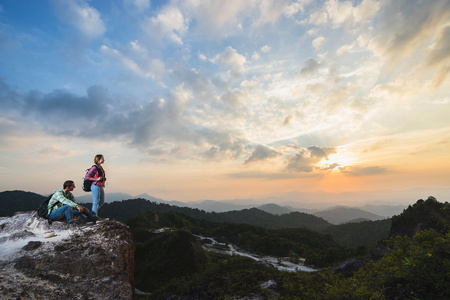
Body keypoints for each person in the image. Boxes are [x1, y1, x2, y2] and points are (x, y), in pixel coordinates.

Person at [85, 154, 107, 220]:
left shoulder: (100, 167)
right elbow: (87, 177)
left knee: (102, 201)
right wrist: (96, 179)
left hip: (100, 186)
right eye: (102, 158)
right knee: (96, 202)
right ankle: (94, 217)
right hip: (95, 186)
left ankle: (92, 214)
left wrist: (103, 179)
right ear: (98, 159)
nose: (103, 159)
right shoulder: (94, 167)